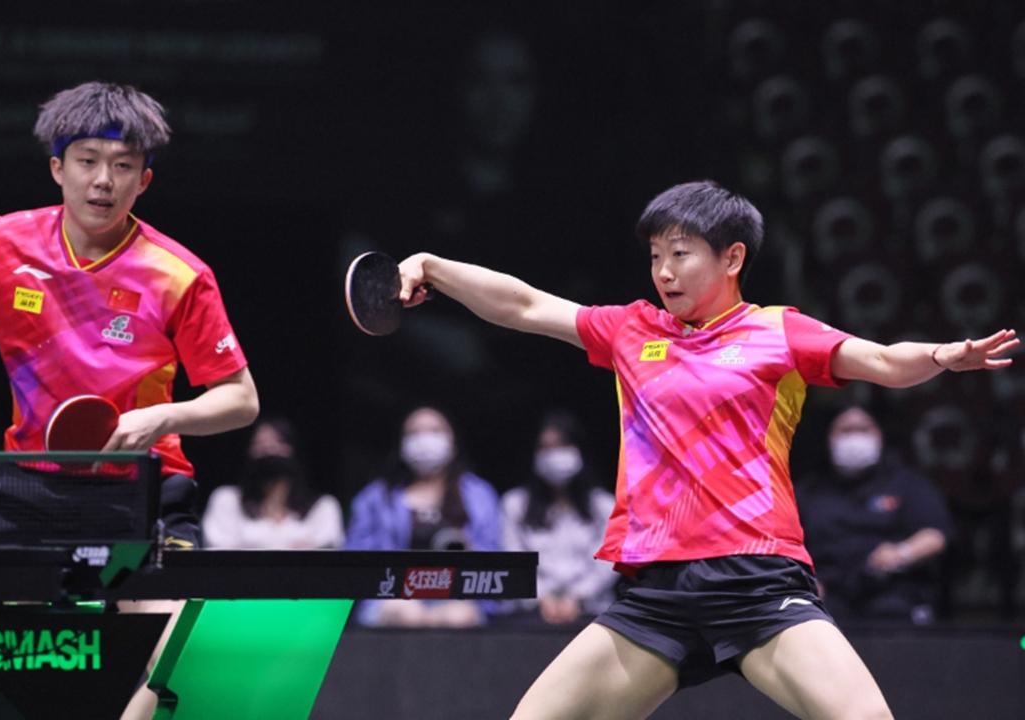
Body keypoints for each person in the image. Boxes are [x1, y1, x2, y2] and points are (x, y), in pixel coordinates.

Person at [392, 180, 1017, 719]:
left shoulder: (778, 331)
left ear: (732, 257)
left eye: (682, 254)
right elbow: (525, 305)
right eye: (657, 255)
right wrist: (431, 265)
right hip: (656, 591)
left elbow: (880, 359)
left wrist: (941, 356)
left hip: (757, 581)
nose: (664, 272)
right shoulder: (632, 330)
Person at [0, 81, 259, 547]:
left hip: (141, 483)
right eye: (87, 160)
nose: (103, 180)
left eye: (123, 165)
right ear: (58, 168)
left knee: (162, 619)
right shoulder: (2, 244)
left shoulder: (178, 274)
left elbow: (240, 399)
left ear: (144, 180)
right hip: (28, 484)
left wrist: (162, 419)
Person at [797, 406, 954, 625]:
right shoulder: (808, 491)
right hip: (828, 592)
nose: (855, 438)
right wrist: (804, 583)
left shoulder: (906, 483)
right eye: (845, 430)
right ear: (828, 437)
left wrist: (903, 553)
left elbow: (936, 534)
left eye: (864, 429)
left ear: (879, 434)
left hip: (891, 590)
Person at [346, 405, 501, 627]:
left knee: (457, 617)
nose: (425, 440)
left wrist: (469, 549)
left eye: (435, 431)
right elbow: (355, 559)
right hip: (391, 598)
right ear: (401, 445)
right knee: (407, 614)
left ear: (453, 442)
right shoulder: (375, 497)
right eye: (415, 433)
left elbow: (497, 560)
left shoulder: (479, 495)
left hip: (458, 598)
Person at [500, 411, 618, 625]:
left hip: (592, 612)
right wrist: (542, 597)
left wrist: (577, 597)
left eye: (563, 446)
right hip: (530, 612)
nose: (555, 455)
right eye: (546, 447)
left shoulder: (605, 506)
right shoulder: (515, 504)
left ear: (579, 450)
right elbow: (512, 559)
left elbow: (608, 563)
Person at [202, 454, 344, 549]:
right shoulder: (226, 498)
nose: (275, 488)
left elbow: (328, 547)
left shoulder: (324, 505)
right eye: (267, 480)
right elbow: (219, 547)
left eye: (281, 480)